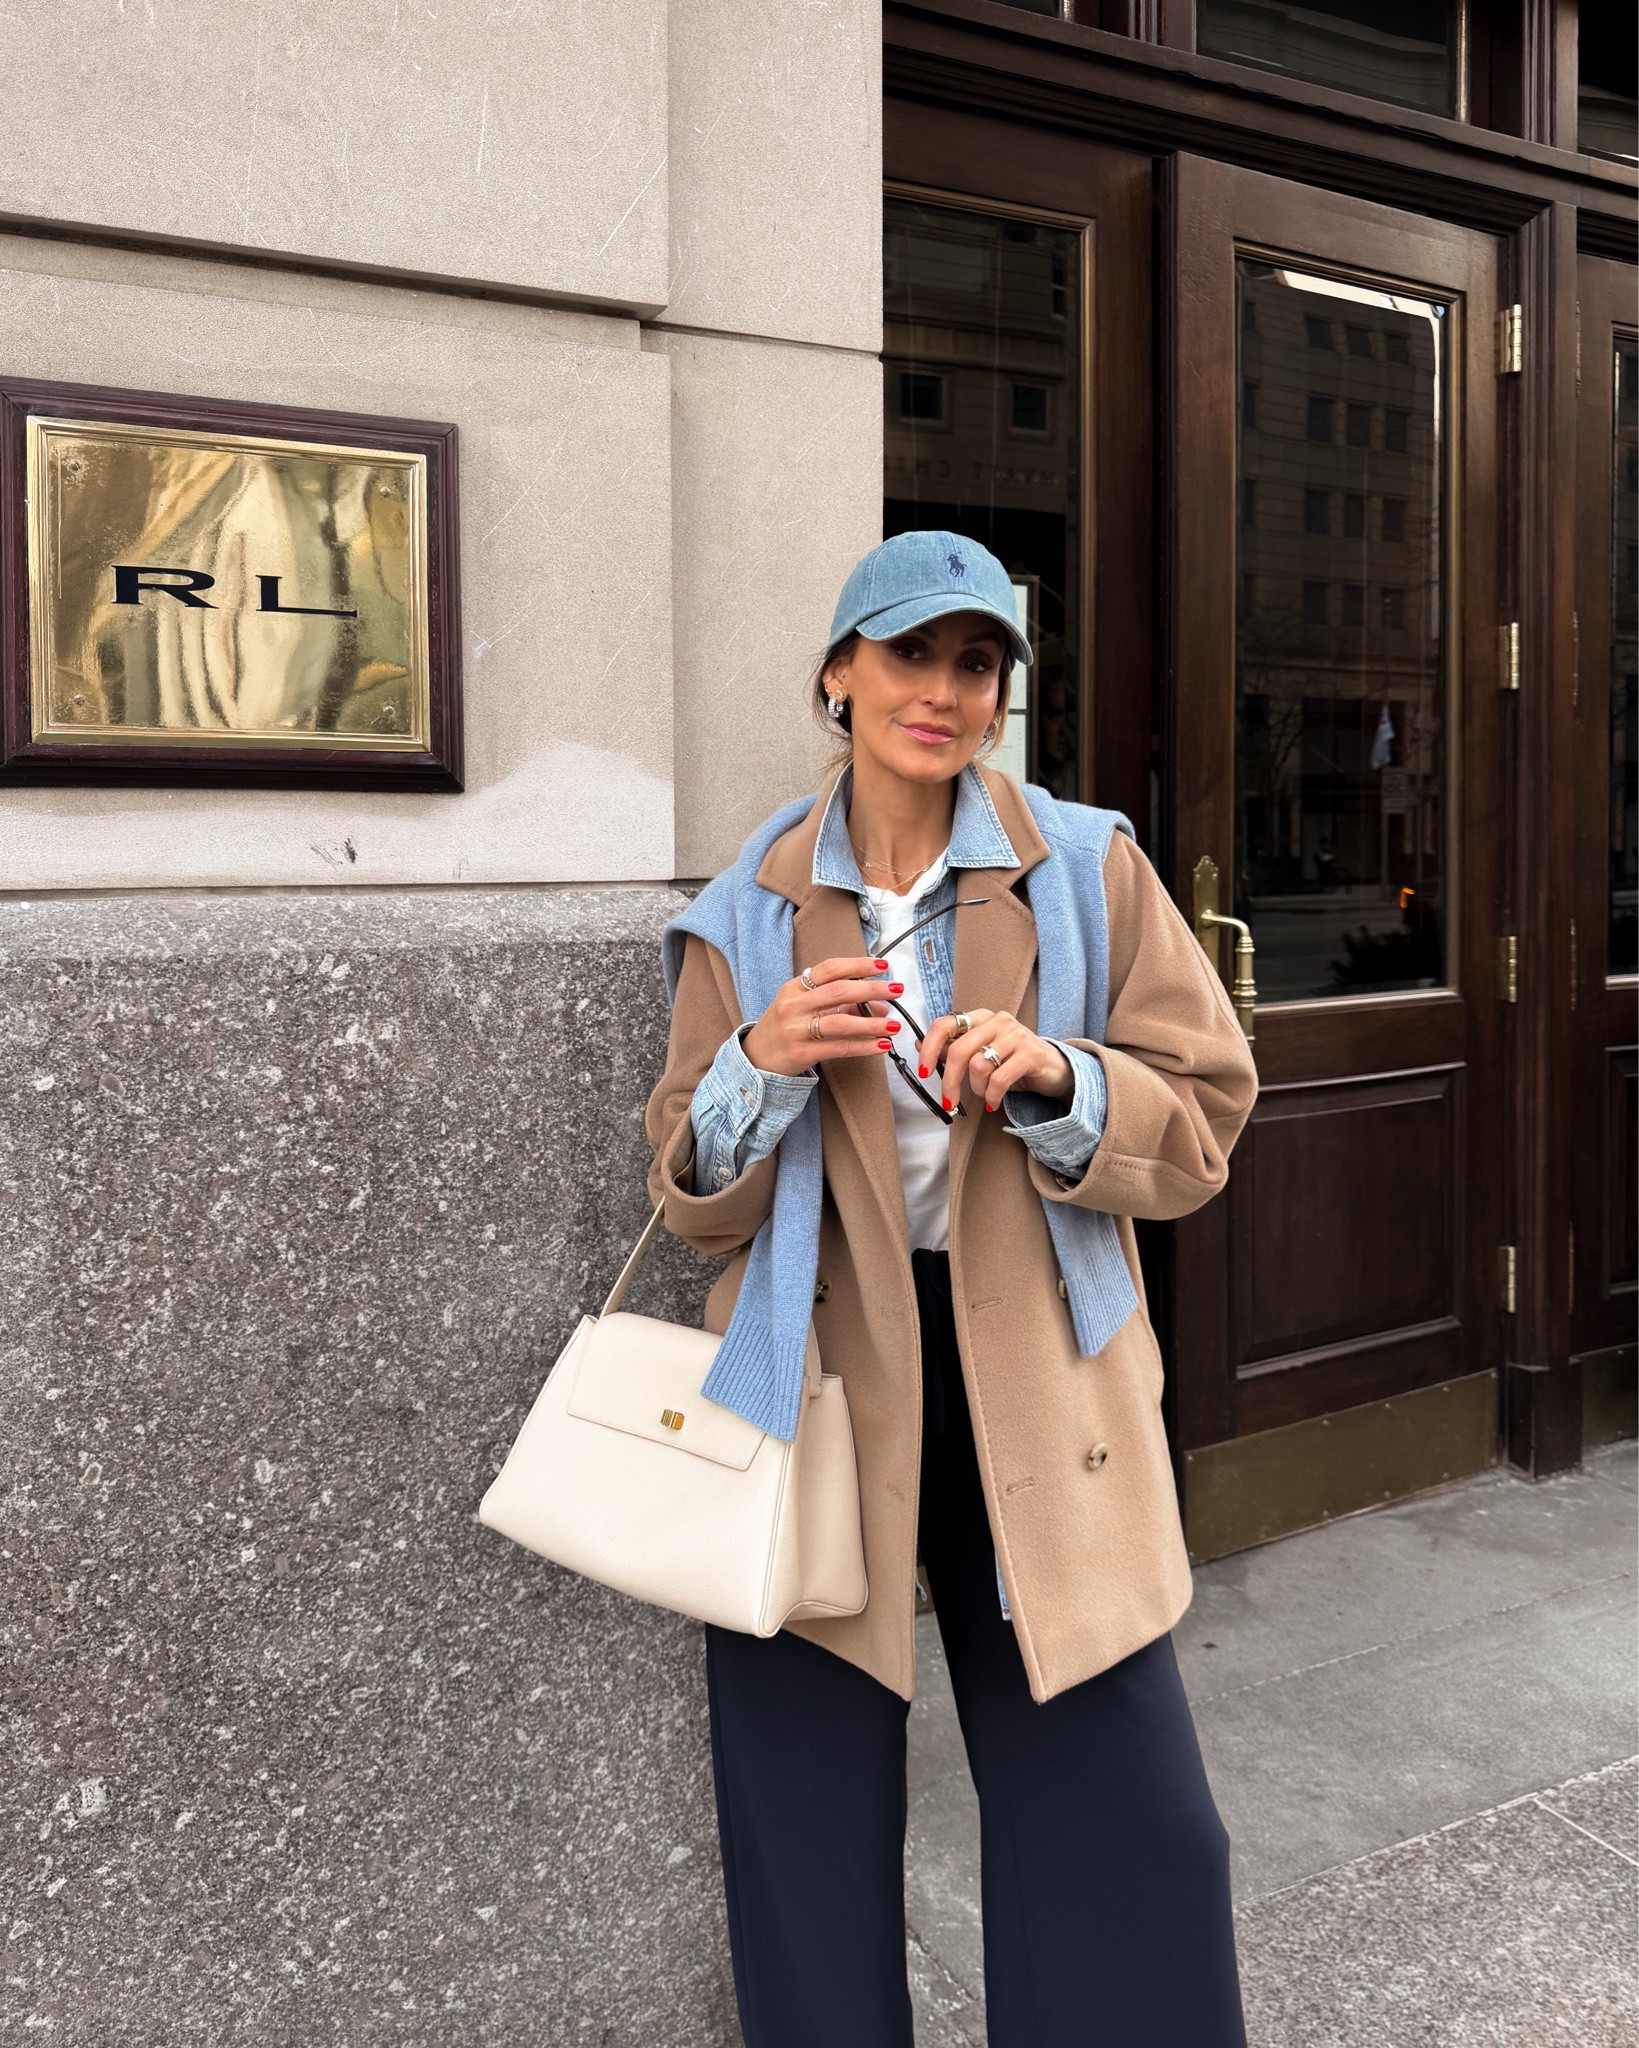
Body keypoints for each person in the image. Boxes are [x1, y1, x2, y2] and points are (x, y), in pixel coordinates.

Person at [645, 529, 1259, 2047]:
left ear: (1000, 694)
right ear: (838, 676)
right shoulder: (750, 909)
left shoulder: (1086, 867)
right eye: (909, 653)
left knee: (1128, 1812)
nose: (942, 689)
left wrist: (1064, 1080)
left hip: (1036, 1376)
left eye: (976, 661)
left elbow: (1205, 1124)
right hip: (815, 1380)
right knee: (806, 1818)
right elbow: (687, 1195)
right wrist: (759, 1064)